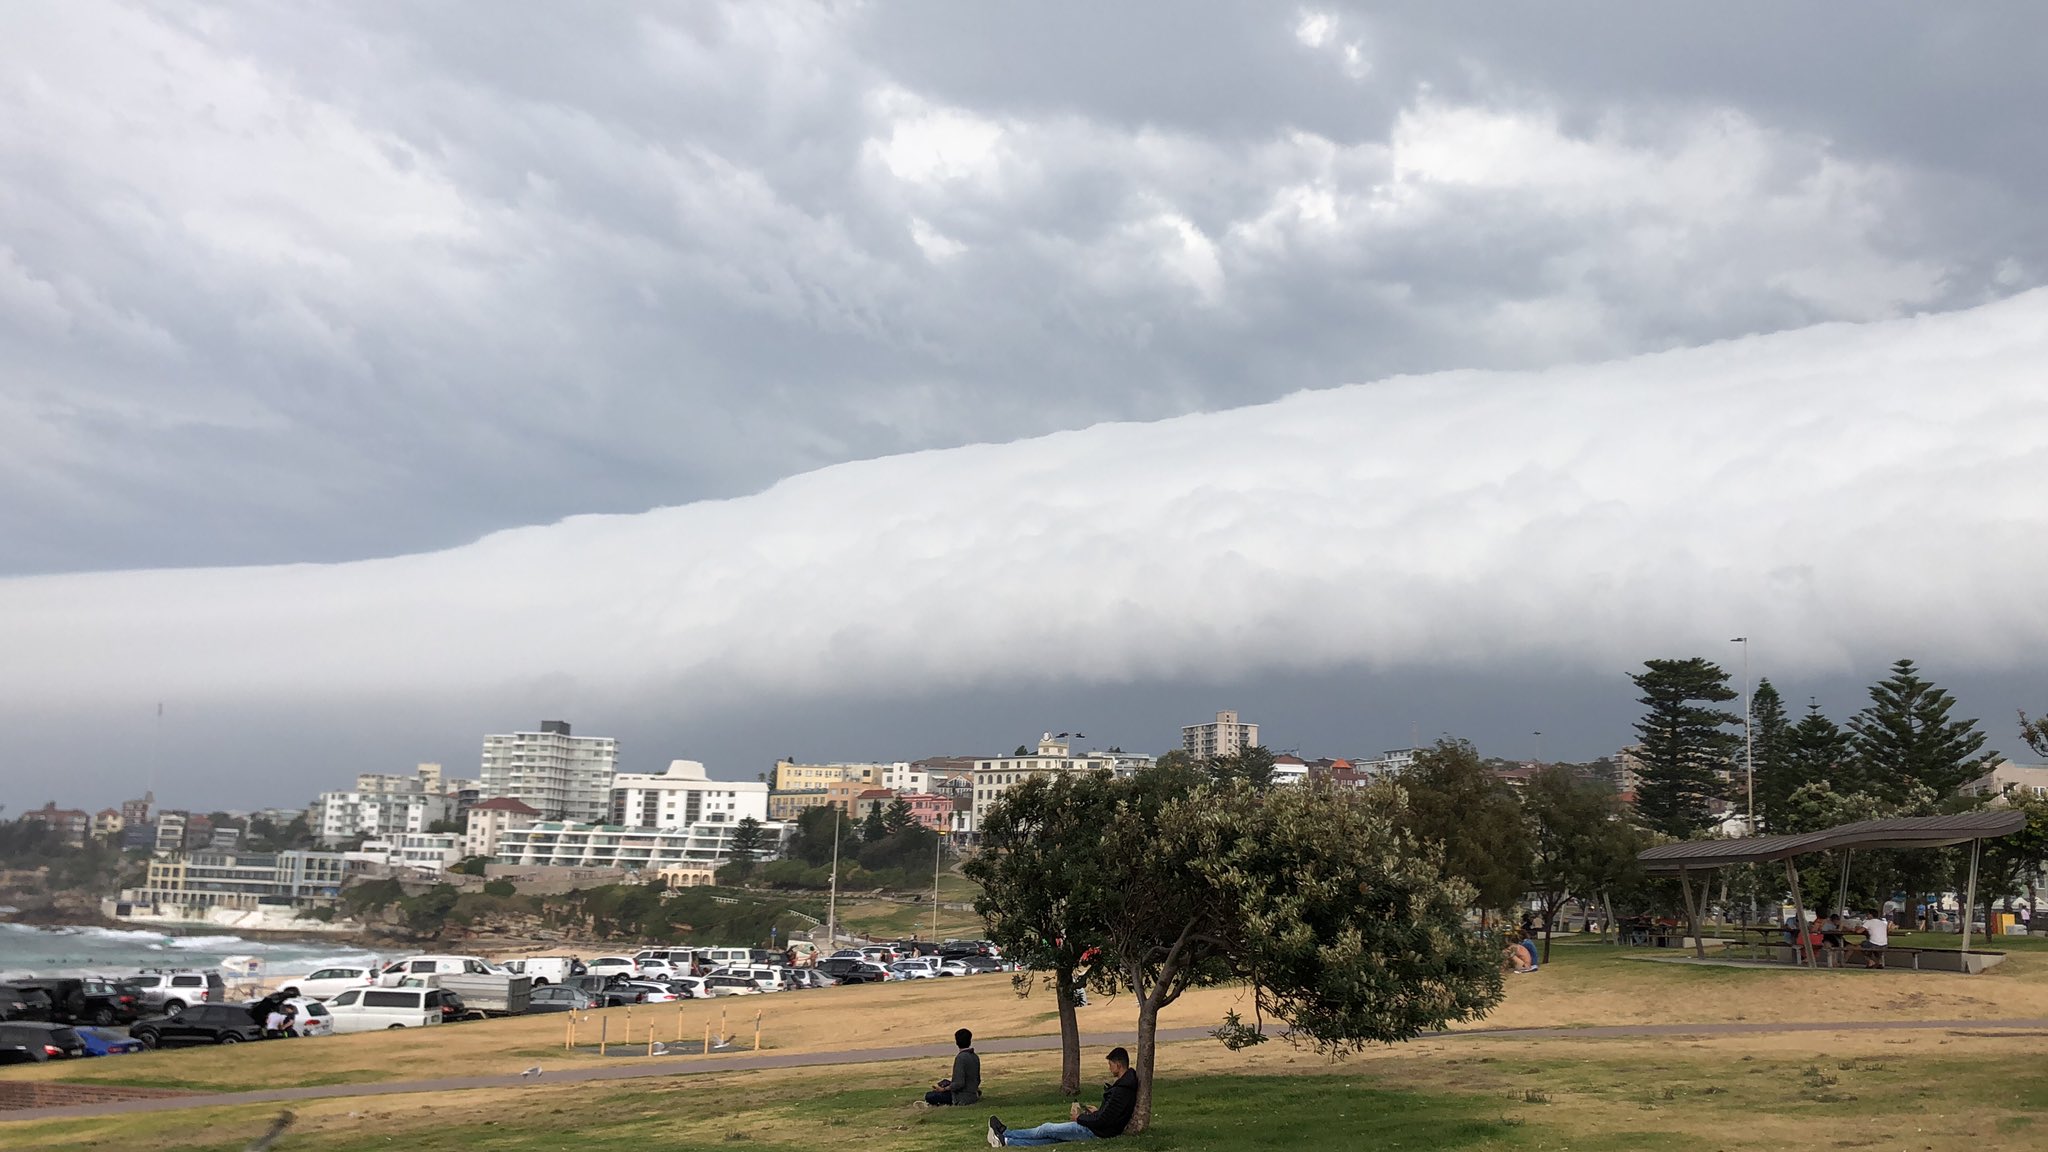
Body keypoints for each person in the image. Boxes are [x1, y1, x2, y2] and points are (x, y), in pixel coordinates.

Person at [988, 1047, 1138, 1146]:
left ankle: (1006, 1133)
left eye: (1111, 1064)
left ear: (1118, 1065)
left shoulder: (1122, 1090)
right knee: (1052, 1139)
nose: (1109, 1068)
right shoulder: (1124, 1086)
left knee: (1047, 1129)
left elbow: (1104, 1120)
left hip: (1095, 1132)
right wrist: (1097, 1111)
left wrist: (1079, 1119)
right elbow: (1108, 1115)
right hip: (1100, 1129)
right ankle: (1007, 1141)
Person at [923, 1028, 981, 1107]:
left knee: (929, 1095)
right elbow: (978, 1079)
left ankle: (933, 1103)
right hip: (972, 1092)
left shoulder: (961, 1058)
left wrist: (944, 1089)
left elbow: (959, 1083)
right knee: (944, 1082)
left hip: (961, 1097)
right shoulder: (974, 1056)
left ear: (956, 1042)